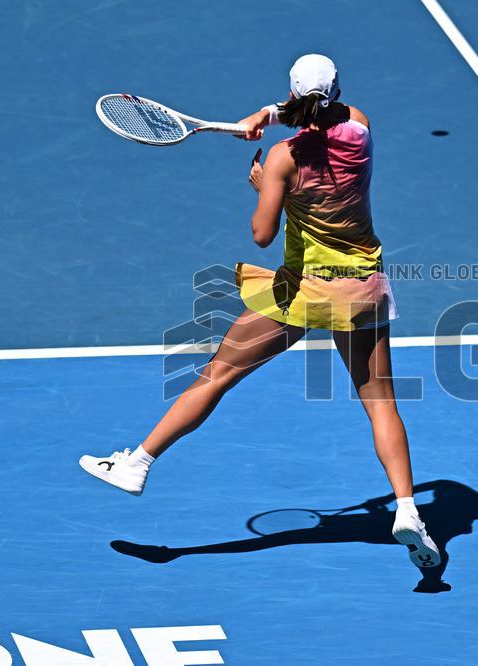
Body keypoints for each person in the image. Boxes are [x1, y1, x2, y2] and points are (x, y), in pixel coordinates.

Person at [79, 54, 439, 569]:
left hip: (301, 293)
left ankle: (137, 463)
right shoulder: (360, 131)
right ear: (336, 92)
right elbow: (333, 111)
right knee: (381, 404)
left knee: (216, 375)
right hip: (362, 290)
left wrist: (266, 184)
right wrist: (268, 117)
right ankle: (408, 510)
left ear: (292, 94)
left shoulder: (282, 160)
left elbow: (262, 235)